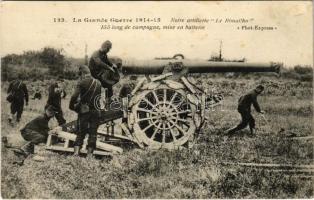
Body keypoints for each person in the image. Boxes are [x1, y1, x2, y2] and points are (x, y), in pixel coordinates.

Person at [69, 65, 102, 158]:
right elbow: (98, 98)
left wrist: (71, 106)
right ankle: (90, 154)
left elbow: (74, 96)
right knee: (93, 132)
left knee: (80, 131)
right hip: (96, 111)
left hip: (84, 111)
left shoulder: (82, 82)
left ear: (82, 73)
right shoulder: (98, 83)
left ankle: (76, 153)